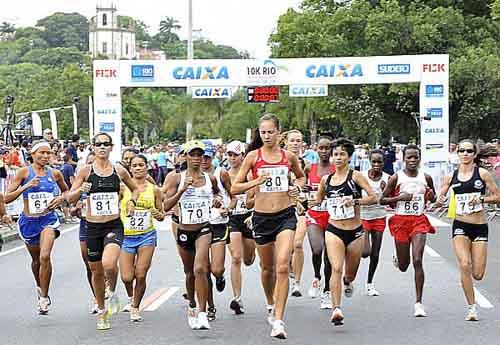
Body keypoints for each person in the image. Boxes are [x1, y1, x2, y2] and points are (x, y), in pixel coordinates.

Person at [231, 114, 305, 339]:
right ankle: (270, 304)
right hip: (262, 217)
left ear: (278, 133)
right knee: (267, 268)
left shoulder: (288, 157)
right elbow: (235, 188)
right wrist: (256, 181)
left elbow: (301, 178)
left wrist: (297, 189)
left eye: (270, 132)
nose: (266, 136)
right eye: (263, 132)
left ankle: (279, 321)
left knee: (283, 265)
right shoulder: (253, 157)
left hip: (285, 216)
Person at [66, 132, 138, 330]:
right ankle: (101, 309)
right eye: (99, 144)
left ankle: (112, 290)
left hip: (113, 224)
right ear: (93, 147)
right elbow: (70, 198)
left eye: (106, 144)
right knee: (96, 271)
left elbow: (136, 189)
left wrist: (131, 201)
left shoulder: (119, 170)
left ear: (112, 147)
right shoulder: (85, 171)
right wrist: (81, 191)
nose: (102, 147)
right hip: (92, 227)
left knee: (108, 263)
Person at [310, 138, 376, 326]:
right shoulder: (326, 180)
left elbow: (373, 197)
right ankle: (336, 308)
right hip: (334, 230)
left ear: (349, 157)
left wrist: (355, 202)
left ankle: (348, 281)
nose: (338, 158)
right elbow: (318, 200)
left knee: (350, 273)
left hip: (355, 231)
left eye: (342, 154)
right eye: (335, 154)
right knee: (336, 268)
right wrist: (302, 202)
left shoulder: (356, 177)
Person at [435, 139, 500, 321]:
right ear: (457, 154)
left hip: (479, 227)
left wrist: (482, 200)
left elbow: (498, 197)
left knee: (477, 274)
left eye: (469, 151)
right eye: (461, 150)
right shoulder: (451, 176)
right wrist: (440, 200)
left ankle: (470, 281)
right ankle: (472, 307)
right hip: (460, 225)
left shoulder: (483, 174)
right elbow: (440, 196)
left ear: (474, 154)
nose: (465, 153)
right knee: (464, 264)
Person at [163, 140, 223, 330]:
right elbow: (165, 206)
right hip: (184, 230)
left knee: (200, 269)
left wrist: (217, 200)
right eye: (192, 155)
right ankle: (192, 305)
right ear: (185, 157)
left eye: (200, 155)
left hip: (204, 229)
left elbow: (217, 194)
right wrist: (181, 190)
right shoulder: (175, 178)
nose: (197, 159)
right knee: (189, 273)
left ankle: (203, 313)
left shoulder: (210, 178)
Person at [4, 140, 69, 314]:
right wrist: (26, 186)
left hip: (48, 220)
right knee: (36, 261)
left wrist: (62, 198)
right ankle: (40, 287)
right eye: (41, 153)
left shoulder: (55, 173)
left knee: (45, 256)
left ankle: (44, 297)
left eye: (48, 153)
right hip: (28, 222)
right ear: (32, 154)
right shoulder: (24, 172)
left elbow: (66, 191)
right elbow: (6, 198)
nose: (45, 156)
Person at [380, 144, 437, 318]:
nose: (413, 160)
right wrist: (399, 198)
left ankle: (418, 303)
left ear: (420, 158)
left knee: (418, 260)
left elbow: (432, 196)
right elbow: (382, 199)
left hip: (418, 220)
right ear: (403, 159)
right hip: (401, 222)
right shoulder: (396, 178)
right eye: (409, 157)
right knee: (405, 266)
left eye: (416, 157)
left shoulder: (426, 177)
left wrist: (430, 197)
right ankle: (399, 260)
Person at [119, 154, 164, 322]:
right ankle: (132, 297)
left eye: (141, 165)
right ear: (130, 168)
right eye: (134, 165)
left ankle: (135, 307)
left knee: (141, 273)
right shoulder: (123, 188)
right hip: (126, 237)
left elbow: (161, 214)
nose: (138, 168)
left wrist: (157, 213)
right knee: (126, 277)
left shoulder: (155, 190)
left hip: (147, 236)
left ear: (147, 167)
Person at [200, 139, 232, 321]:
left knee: (216, 269)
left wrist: (228, 207)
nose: (203, 160)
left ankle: (220, 278)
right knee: (203, 269)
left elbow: (232, 195)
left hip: (219, 223)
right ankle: (210, 307)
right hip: (199, 226)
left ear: (213, 156)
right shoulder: (190, 177)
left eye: (207, 157)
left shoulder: (221, 174)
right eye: (200, 156)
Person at [304, 136, 335, 309]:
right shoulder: (310, 168)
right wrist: (305, 189)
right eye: (321, 148)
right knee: (317, 249)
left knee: (330, 255)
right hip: (314, 215)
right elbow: (300, 184)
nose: (324, 151)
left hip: (332, 216)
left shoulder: (335, 169)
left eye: (327, 148)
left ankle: (327, 292)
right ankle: (317, 277)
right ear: (316, 149)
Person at [226, 140, 256, 315]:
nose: (232, 158)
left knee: (248, 259)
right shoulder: (224, 175)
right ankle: (237, 298)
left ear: (243, 156)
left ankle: (251, 254)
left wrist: (253, 211)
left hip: (249, 218)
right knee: (236, 258)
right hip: (232, 220)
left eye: (235, 155)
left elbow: (255, 197)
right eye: (229, 155)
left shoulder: (250, 175)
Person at [70, 152, 98, 313]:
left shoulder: (110, 182)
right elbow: (72, 206)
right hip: (86, 226)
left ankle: (107, 284)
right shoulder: (83, 184)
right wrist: (76, 209)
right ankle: (96, 297)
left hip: (106, 226)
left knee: (107, 264)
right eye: (89, 163)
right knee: (90, 265)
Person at [360, 149, 389, 296]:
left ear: (384, 162)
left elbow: (389, 200)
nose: (377, 164)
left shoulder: (388, 178)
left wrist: (385, 192)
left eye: (380, 162)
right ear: (370, 161)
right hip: (363, 216)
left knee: (375, 254)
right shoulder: (362, 176)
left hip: (379, 216)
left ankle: (370, 283)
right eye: (374, 161)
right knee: (365, 252)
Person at [284, 130, 307, 298]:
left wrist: (300, 198)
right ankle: (288, 269)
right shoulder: (278, 160)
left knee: (297, 244)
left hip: (300, 208)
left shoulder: (305, 163)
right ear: (285, 142)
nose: (295, 143)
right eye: (292, 140)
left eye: (298, 140)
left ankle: (297, 284)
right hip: (281, 208)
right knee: (286, 249)